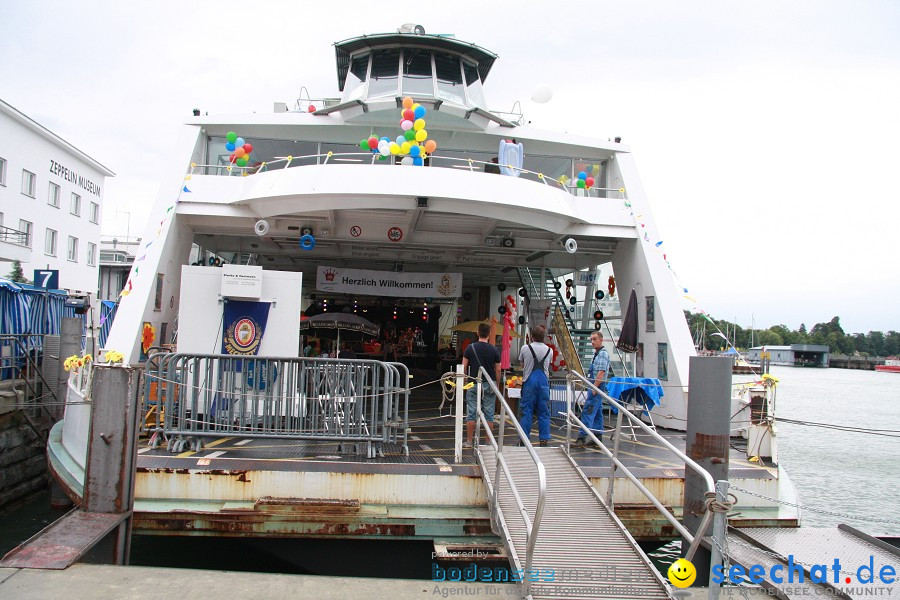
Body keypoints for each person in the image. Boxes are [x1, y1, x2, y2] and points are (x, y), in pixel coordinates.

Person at [461, 322, 502, 448]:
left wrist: (465, 381)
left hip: (474, 382)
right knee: (489, 414)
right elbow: (498, 369)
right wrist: (497, 383)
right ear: (489, 334)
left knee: (471, 412)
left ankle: (469, 441)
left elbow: (464, 366)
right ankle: (488, 442)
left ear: (477, 333)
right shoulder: (494, 349)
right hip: (489, 384)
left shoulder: (470, 348)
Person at [518, 325, 552, 446]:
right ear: (543, 338)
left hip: (529, 383)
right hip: (543, 384)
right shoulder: (549, 350)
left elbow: (522, 365)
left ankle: (524, 438)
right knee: (544, 412)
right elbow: (548, 365)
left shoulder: (525, 348)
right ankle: (544, 438)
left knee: (526, 411)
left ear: (532, 336)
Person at [575, 331, 609, 447]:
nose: (592, 342)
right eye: (591, 340)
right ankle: (597, 438)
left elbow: (601, 372)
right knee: (598, 412)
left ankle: (581, 437)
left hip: (596, 385)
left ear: (601, 339)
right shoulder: (597, 354)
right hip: (594, 385)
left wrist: (595, 387)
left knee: (588, 410)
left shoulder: (602, 354)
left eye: (594, 339)